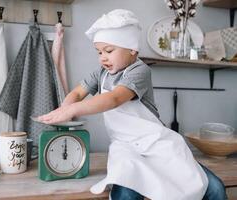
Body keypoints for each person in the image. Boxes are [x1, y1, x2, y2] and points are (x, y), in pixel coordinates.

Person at [38, 9, 227, 200]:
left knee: (213, 188)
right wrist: (64, 109)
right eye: (99, 52)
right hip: (125, 147)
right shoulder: (101, 73)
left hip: (157, 144)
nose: (103, 57)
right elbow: (78, 92)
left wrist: (73, 109)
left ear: (132, 50)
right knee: (126, 191)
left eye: (109, 51)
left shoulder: (139, 71)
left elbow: (114, 99)